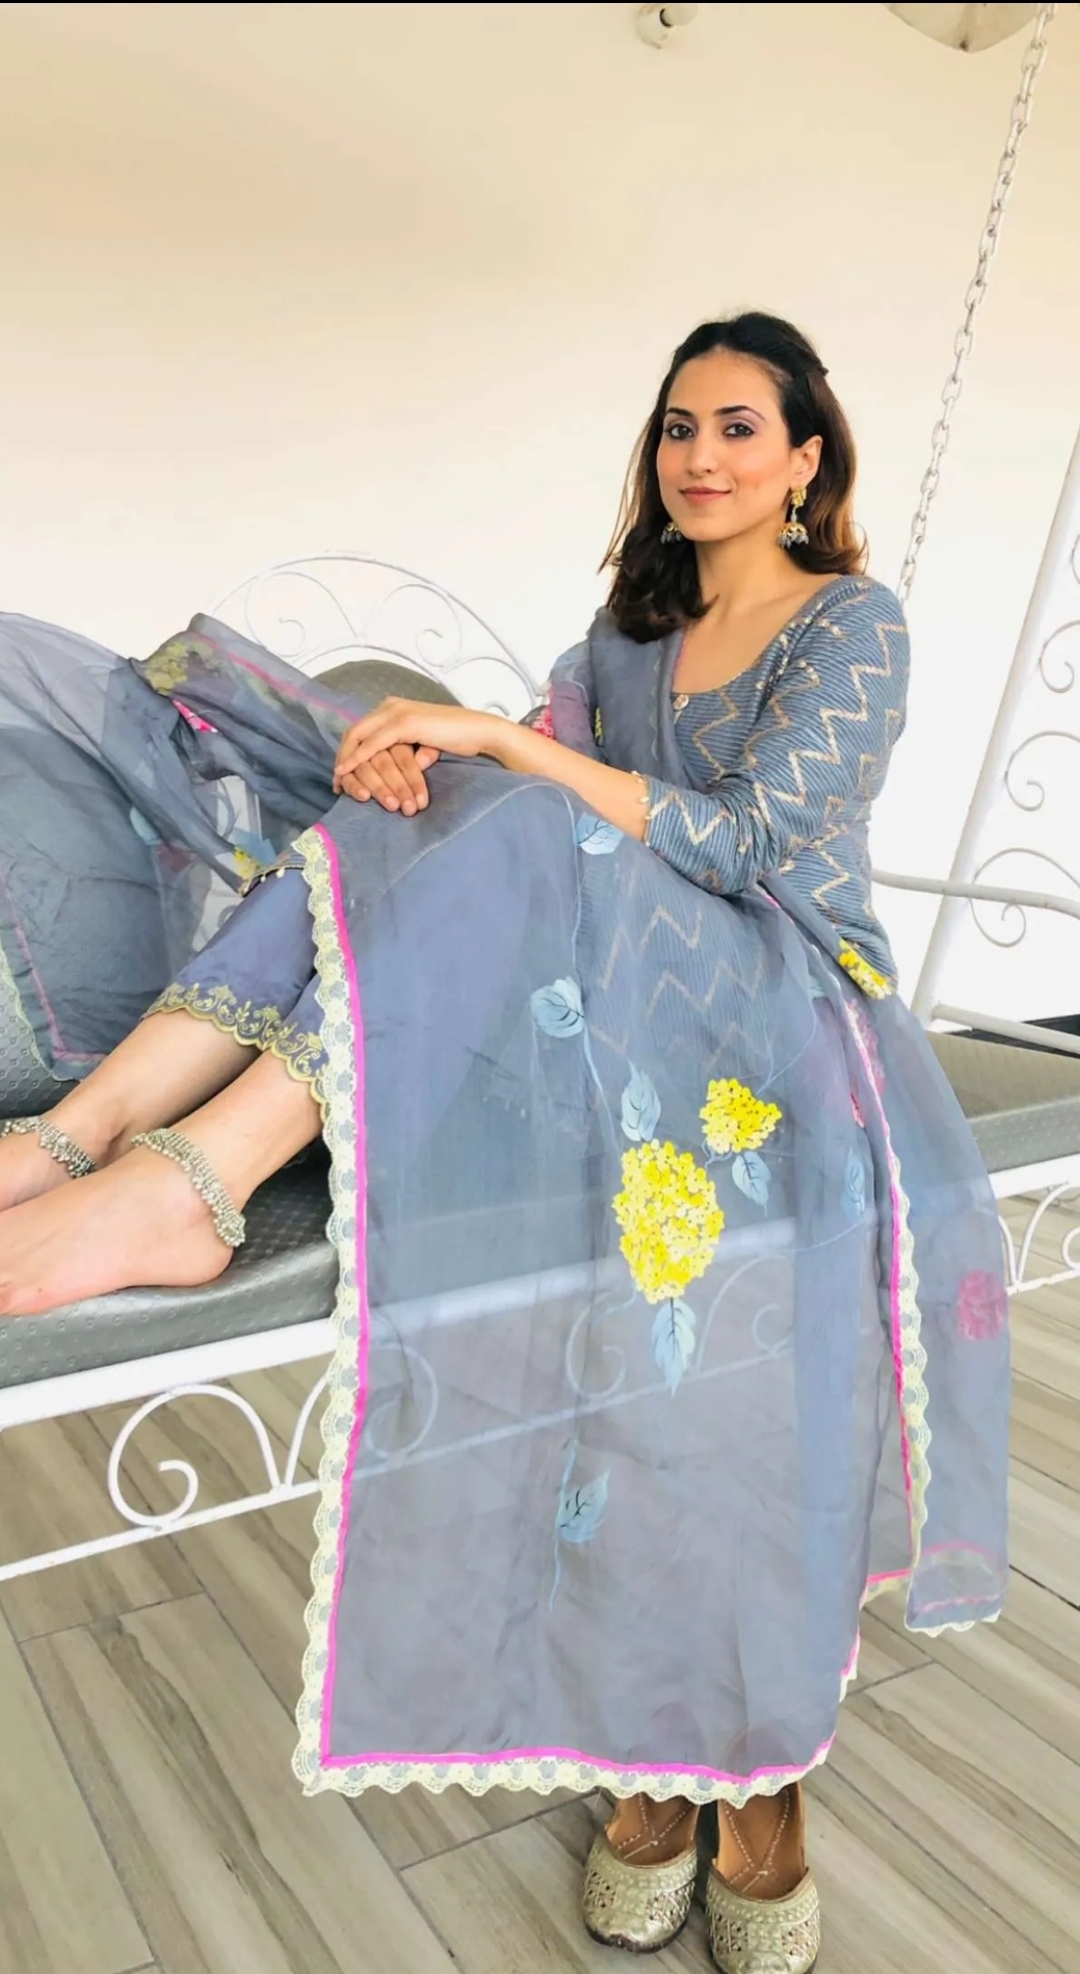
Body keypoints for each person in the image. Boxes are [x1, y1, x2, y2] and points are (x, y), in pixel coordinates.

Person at [0, 313, 1009, 1971]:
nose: (699, 455)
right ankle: (91, 1136)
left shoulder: (852, 624)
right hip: (615, 1007)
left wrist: (493, 739)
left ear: (807, 458)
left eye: (738, 427)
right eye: (677, 425)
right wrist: (428, 757)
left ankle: (189, 1174)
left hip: (787, 1010)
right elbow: (529, 840)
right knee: (416, 811)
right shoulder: (625, 637)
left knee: (510, 793)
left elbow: (748, 842)